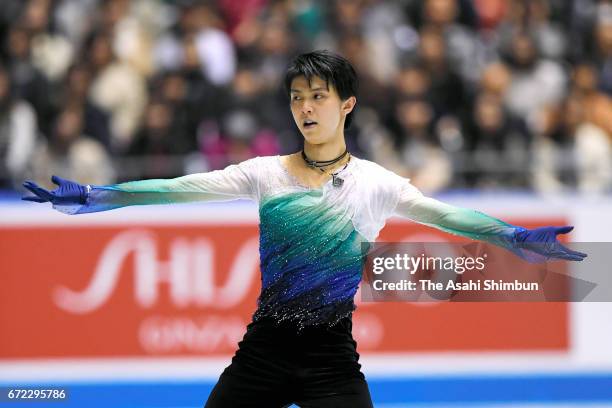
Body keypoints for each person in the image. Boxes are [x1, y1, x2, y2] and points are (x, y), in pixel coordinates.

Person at [22, 50, 586, 408]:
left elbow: (448, 215)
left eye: (318, 97)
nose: (306, 109)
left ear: (347, 106)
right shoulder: (265, 174)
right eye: (297, 98)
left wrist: (513, 237)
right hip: (262, 353)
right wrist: (101, 196)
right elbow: (177, 187)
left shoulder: (375, 183)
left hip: (332, 364)